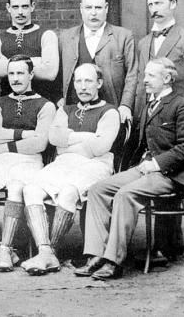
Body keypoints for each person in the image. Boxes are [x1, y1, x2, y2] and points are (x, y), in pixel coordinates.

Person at [76, 58, 184, 280]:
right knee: (98, 189)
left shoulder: (183, 104)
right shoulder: (150, 103)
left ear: (167, 78)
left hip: (171, 174)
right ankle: (96, 255)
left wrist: (156, 164)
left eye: (151, 75)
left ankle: (114, 261)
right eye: (145, 75)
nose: (145, 80)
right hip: (145, 168)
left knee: (125, 194)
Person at [20, 63, 120, 276]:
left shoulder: (109, 111)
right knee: (31, 189)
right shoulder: (66, 110)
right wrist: (88, 138)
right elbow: (55, 138)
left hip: (96, 165)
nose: (83, 86)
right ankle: (45, 252)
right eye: (79, 81)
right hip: (64, 163)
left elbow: (101, 147)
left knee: (68, 192)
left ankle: (50, 252)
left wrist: (69, 140)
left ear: (99, 83)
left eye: (88, 81)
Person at [0, 54, 56, 272]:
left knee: (17, 187)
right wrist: (24, 134)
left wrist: (6, 145)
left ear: (31, 74)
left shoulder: (45, 105)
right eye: (11, 73)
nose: (15, 78)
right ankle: (1, 245)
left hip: (29, 160)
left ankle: (5, 250)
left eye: (20, 73)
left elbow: (39, 143)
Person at [134, 0, 184, 260]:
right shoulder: (144, 42)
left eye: (159, 3)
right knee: (153, 172)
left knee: (171, 171)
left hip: (180, 118)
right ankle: (162, 245)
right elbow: (141, 81)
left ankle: (167, 245)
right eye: (150, 4)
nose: (154, 9)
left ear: (173, 4)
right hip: (152, 116)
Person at [59, 0, 136, 124]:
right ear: (81, 9)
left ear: (106, 8)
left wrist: (126, 105)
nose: (93, 13)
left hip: (113, 112)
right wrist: (59, 98)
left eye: (98, 8)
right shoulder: (66, 37)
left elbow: (132, 74)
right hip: (74, 112)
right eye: (88, 7)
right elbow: (58, 73)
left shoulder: (123, 36)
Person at [0, 0, 59, 102]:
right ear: (8, 8)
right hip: (8, 102)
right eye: (15, 7)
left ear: (32, 6)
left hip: (41, 102)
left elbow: (50, 72)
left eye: (24, 6)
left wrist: (6, 64)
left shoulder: (47, 35)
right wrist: (37, 61)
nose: (20, 12)